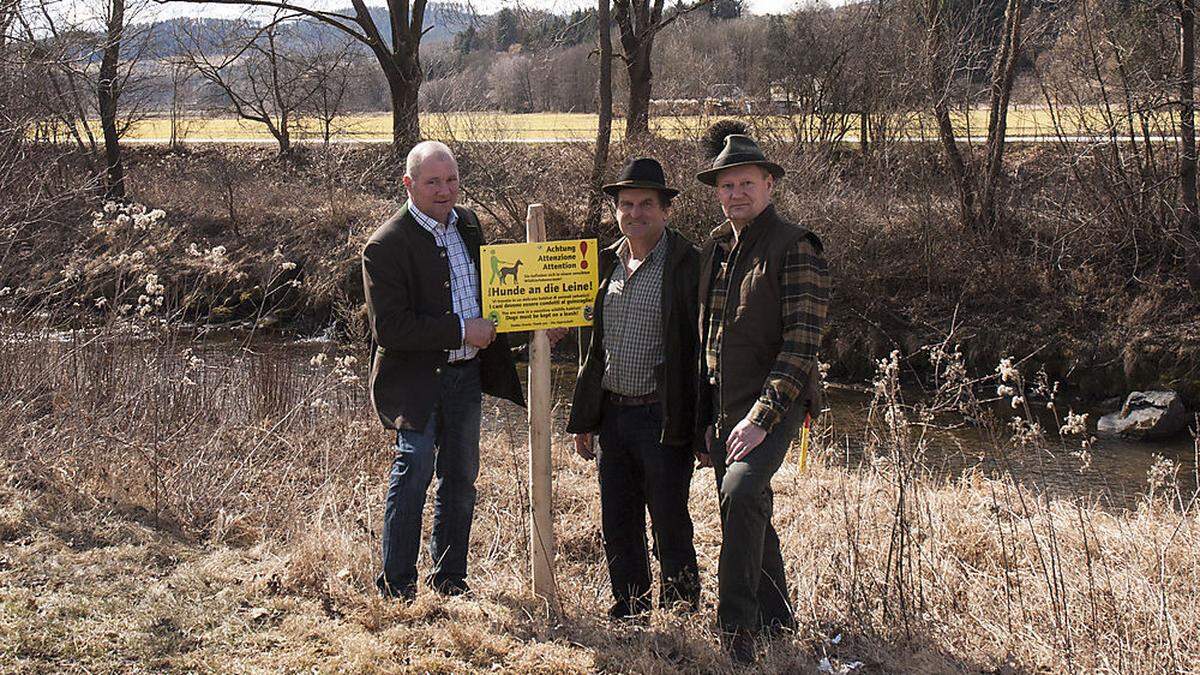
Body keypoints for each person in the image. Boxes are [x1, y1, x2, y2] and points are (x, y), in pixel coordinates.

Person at [362, 140, 524, 600]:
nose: (444, 190)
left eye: (451, 180)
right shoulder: (385, 245)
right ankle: (397, 586)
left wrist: (535, 329)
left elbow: (492, 299)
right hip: (413, 383)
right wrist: (460, 331)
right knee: (413, 469)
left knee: (461, 476)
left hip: (465, 377)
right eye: (433, 181)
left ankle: (450, 578)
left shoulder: (468, 225)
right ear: (409, 184)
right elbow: (391, 329)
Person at [694, 123, 831, 663]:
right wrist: (709, 417)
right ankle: (778, 617)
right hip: (725, 408)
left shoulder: (796, 247)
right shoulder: (715, 248)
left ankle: (737, 633)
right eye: (727, 186)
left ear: (769, 184)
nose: (736, 194)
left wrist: (760, 419)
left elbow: (801, 348)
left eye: (747, 183)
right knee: (744, 505)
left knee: (744, 491)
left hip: (774, 408)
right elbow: (707, 341)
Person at [565, 157, 703, 621]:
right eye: (626, 204)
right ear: (615, 210)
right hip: (614, 415)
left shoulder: (688, 263)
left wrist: (703, 423)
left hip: (662, 416)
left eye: (646, 204)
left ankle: (682, 609)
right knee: (618, 520)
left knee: (669, 520)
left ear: (666, 210)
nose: (635, 213)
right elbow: (592, 345)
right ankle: (630, 606)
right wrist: (586, 417)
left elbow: (703, 350)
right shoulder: (605, 263)